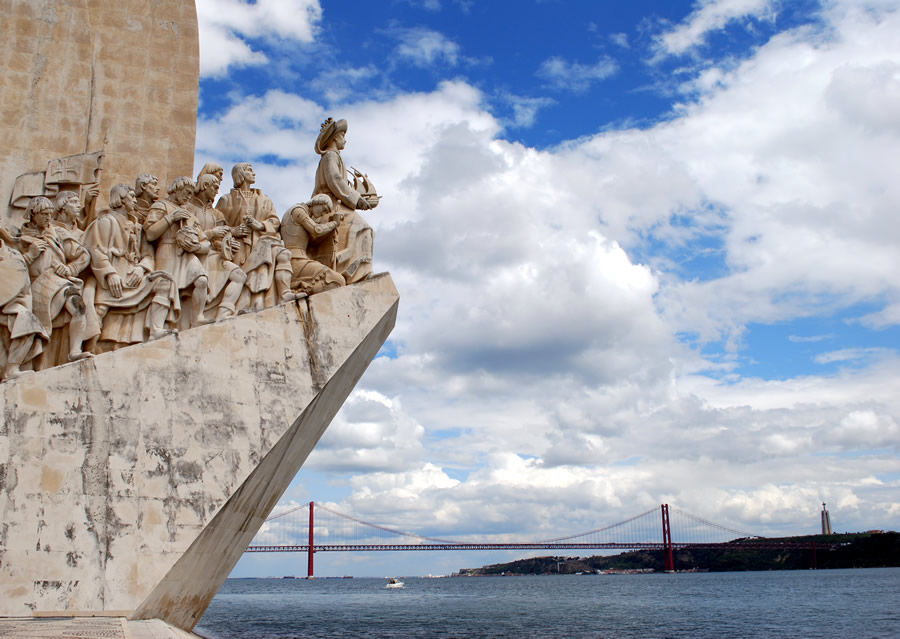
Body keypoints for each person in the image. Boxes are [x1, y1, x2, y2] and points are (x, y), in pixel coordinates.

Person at [83, 183, 174, 352]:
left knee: (164, 283)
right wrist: (110, 274)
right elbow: (96, 250)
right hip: (113, 274)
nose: (135, 201)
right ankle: (87, 348)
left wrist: (141, 269)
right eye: (131, 197)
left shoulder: (137, 226)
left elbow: (148, 255)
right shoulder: (105, 221)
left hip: (133, 274)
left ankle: (155, 330)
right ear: (121, 199)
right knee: (100, 309)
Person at [18, 196, 92, 368]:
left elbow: (83, 255)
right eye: (44, 214)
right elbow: (12, 268)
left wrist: (69, 269)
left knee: (78, 305)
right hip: (35, 288)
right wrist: (30, 255)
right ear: (32, 214)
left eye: (50, 214)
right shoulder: (20, 238)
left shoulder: (57, 233)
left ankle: (74, 352)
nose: (48, 218)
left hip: (58, 283)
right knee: (32, 329)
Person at [215, 163, 300, 310]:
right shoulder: (226, 200)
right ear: (240, 174)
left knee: (280, 256)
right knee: (243, 277)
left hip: (262, 243)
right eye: (249, 170)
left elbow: (274, 221)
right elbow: (216, 226)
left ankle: (283, 293)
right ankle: (241, 307)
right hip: (238, 246)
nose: (253, 173)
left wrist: (259, 225)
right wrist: (234, 231)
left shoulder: (264, 199)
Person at [311, 117, 375, 284]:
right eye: (343, 136)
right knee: (364, 228)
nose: (345, 140)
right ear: (335, 137)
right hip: (331, 205)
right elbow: (335, 180)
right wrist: (357, 199)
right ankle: (354, 273)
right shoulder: (331, 155)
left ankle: (356, 271)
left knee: (364, 229)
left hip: (336, 202)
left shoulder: (333, 156)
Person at [144, 176, 213, 330]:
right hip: (167, 250)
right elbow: (150, 233)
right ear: (177, 189)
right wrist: (170, 218)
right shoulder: (161, 206)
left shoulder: (190, 216)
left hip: (187, 254)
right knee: (165, 286)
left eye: (191, 194)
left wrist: (195, 247)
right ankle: (157, 328)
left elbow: (205, 242)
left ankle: (197, 317)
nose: (189, 197)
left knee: (202, 280)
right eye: (187, 192)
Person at [186, 173, 247, 320]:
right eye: (214, 187)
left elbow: (220, 239)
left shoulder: (216, 214)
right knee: (201, 282)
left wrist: (226, 244)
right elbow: (187, 236)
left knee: (239, 275)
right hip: (193, 254)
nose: (217, 192)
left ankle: (223, 314)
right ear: (205, 186)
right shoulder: (187, 208)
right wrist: (212, 233)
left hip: (212, 255)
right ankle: (197, 317)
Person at [0, 227, 47, 380]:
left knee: (28, 320)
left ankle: (12, 368)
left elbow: (24, 286)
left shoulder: (13, 254)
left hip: (10, 306)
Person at [281, 194, 345, 295]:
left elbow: (314, 240)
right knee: (336, 280)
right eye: (324, 209)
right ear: (317, 202)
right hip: (295, 260)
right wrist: (334, 223)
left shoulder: (305, 214)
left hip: (301, 259)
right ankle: (300, 291)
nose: (322, 214)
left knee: (338, 281)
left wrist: (331, 231)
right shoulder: (298, 210)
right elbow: (317, 230)